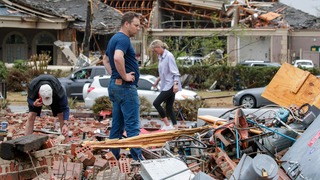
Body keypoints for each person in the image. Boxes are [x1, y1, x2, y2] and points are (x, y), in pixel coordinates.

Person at [103, 11, 144, 161]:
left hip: (116, 87)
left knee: (117, 127)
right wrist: (124, 76)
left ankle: (112, 157)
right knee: (133, 126)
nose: (138, 28)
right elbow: (117, 57)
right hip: (126, 88)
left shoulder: (114, 38)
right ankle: (138, 160)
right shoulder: (124, 39)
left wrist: (114, 75)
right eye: (136, 25)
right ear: (126, 24)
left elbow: (105, 60)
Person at [149, 39, 182, 130]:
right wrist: (157, 81)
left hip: (170, 85)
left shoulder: (169, 56)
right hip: (166, 84)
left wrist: (175, 84)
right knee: (168, 107)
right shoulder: (161, 57)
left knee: (156, 103)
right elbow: (163, 72)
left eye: (155, 50)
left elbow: (175, 72)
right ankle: (175, 127)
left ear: (159, 47)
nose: (155, 52)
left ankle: (167, 125)